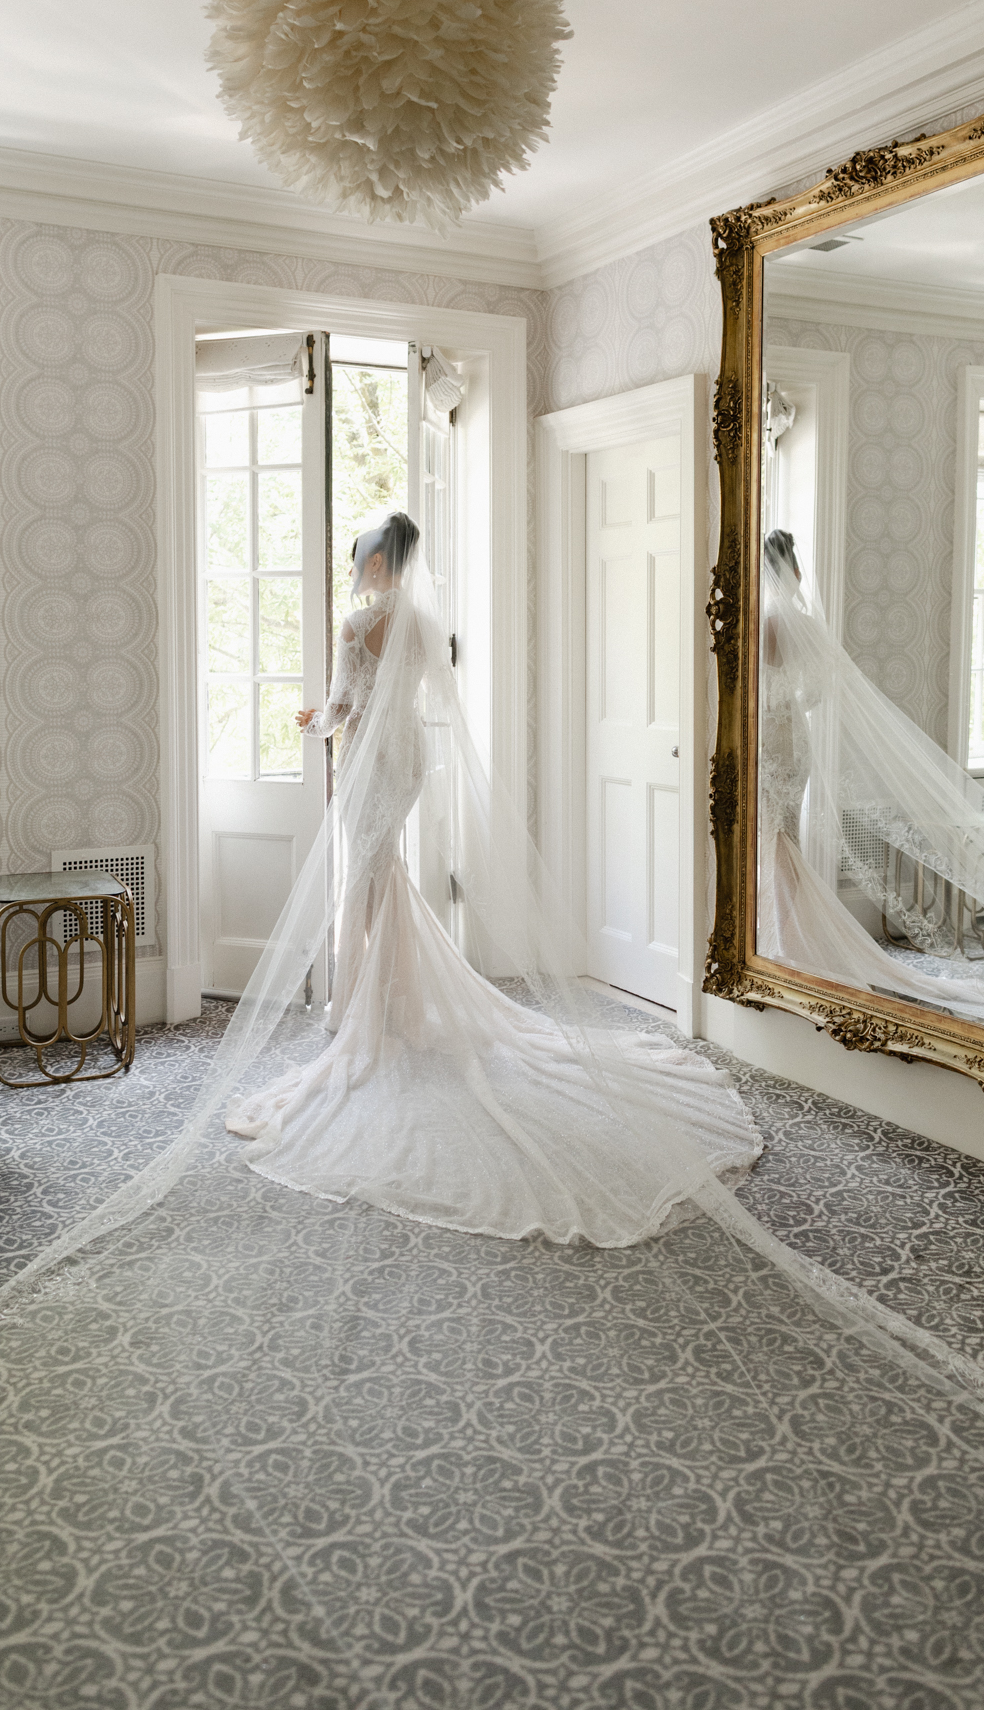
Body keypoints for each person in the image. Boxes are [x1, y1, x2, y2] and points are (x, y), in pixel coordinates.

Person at [225, 511, 764, 1244]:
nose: (358, 572)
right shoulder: (419, 620)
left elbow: (346, 705)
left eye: (362, 561)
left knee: (366, 875)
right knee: (385, 872)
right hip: (408, 754)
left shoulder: (356, 625)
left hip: (366, 756)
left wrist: (312, 723)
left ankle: (361, 1008)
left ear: (377, 564)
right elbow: (422, 696)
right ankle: (384, 1001)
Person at [758, 528, 984, 1028]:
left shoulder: (765, 623)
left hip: (769, 740)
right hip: (794, 741)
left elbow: (751, 686)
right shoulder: (805, 624)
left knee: (771, 841)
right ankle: (786, 937)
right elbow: (814, 693)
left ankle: (786, 941)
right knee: (780, 837)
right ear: (794, 570)